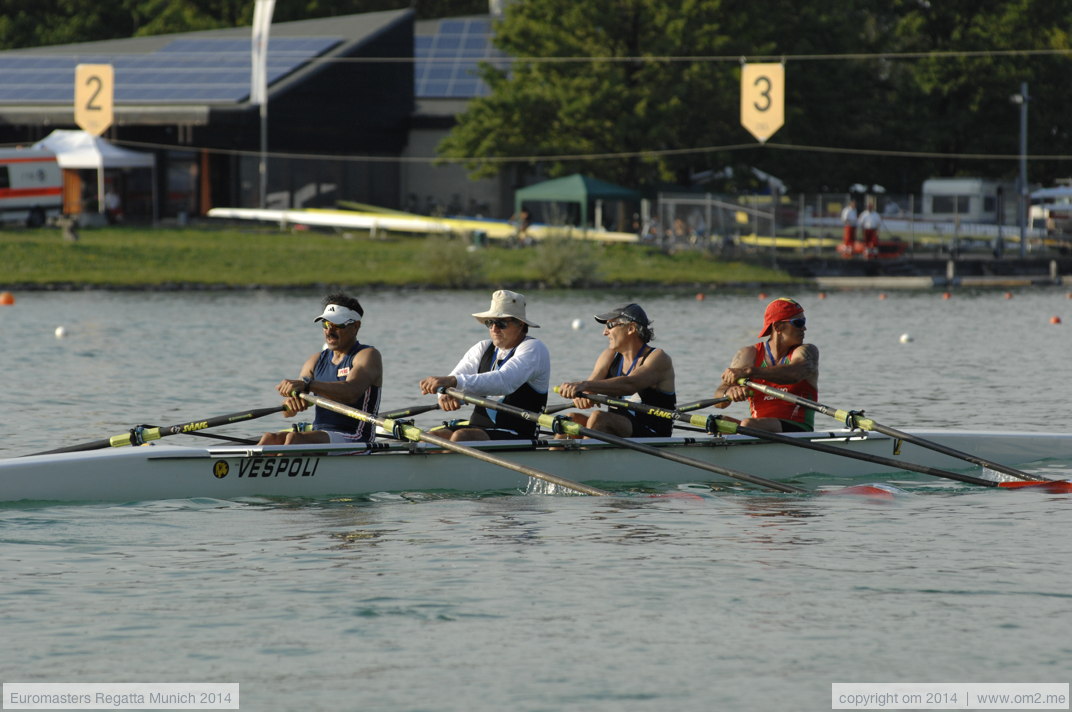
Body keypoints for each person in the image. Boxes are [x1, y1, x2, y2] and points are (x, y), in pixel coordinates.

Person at [419, 290, 550, 441]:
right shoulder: (482, 348)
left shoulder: (533, 348)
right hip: (478, 429)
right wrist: (445, 394)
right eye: (490, 323)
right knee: (430, 437)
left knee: (461, 437)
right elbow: (454, 378)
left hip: (518, 434)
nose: (494, 329)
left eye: (501, 323)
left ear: (520, 324)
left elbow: (505, 381)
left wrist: (453, 382)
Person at [258, 293, 383, 446]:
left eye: (337, 325)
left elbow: (351, 392)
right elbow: (288, 412)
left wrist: (308, 385)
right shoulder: (315, 360)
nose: (329, 331)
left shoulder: (367, 355)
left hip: (355, 437)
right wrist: (292, 403)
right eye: (325, 324)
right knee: (270, 438)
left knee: (294, 439)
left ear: (355, 326)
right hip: (321, 433)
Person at [557, 304, 676, 438]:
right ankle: (556, 456)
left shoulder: (658, 358)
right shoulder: (609, 355)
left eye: (610, 326)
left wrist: (585, 385)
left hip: (653, 435)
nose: (604, 332)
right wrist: (582, 394)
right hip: (619, 430)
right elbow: (590, 385)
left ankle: (584, 456)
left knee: (599, 418)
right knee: (569, 420)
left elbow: (630, 384)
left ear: (631, 328)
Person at [714, 297, 818, 433]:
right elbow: (718, 401)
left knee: (747, 424)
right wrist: (729, 392)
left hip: (797, 429)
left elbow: (795, 374)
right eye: (798, 322)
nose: (804, 328)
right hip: (757, 428)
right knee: (717, 423)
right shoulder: (748, 354)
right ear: (778, 327)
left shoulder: (806, 351)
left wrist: (749, 372)